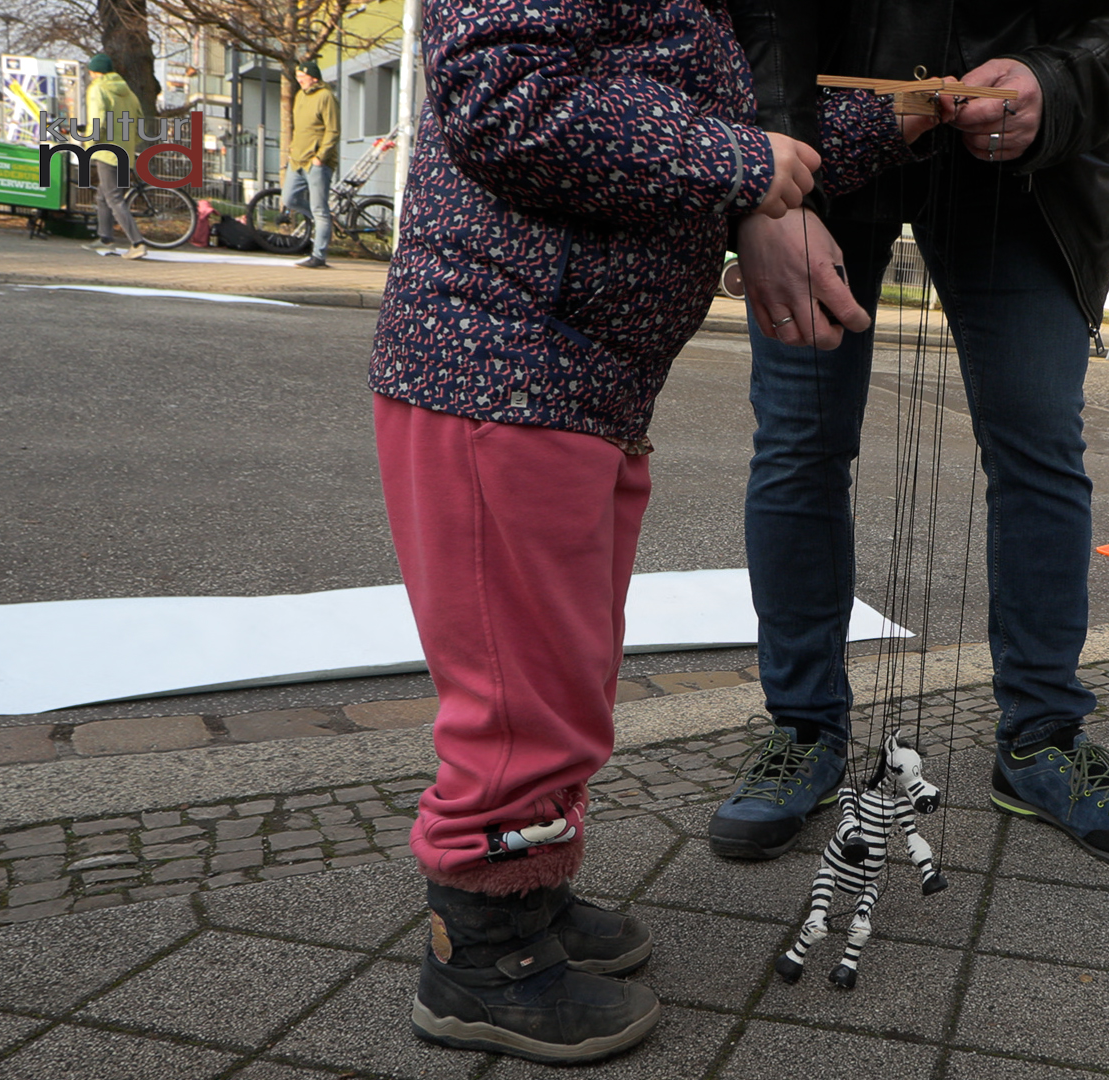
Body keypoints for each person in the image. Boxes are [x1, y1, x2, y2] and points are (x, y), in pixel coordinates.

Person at [366, 0, 826, 1064]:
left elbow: (735, 138)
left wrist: (906, 119)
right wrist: (742, 159)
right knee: (521, 700)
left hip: (570, 383)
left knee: (563, 678)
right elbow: (503, 93)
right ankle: (479, 954)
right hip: (500, 365)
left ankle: (528, 892)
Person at [708, 0, 1109, 871]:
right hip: (821, 141)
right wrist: (766, 172)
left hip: (1036, 170)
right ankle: (804, 733)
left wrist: (1057, 83)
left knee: (1040, 449)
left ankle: (1040, 741)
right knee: (799, 443)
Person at [82, 54, 146, 261]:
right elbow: (139, 121)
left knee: (113, 198)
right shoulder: (129, 92)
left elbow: (97, 119)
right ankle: (105, 237)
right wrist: (131, 144)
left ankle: (137, 243)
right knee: (103, 195)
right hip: (124, 151)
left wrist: (89, 144)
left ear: (94, 72)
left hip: (107, 150)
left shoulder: (98, 89)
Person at [285, 61, 339, 268]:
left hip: (317, 163)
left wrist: (321, 157)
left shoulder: (326, 97)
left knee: (319, 208)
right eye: (298, 75)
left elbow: (333, 130)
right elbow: (299, 128)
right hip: (297, 160)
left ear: (313, 77)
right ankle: (323, 219)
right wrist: (292, 150)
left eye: (302, 76)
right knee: (289, 199)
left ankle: (319, 256)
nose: (299, 79)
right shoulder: (300, 96)